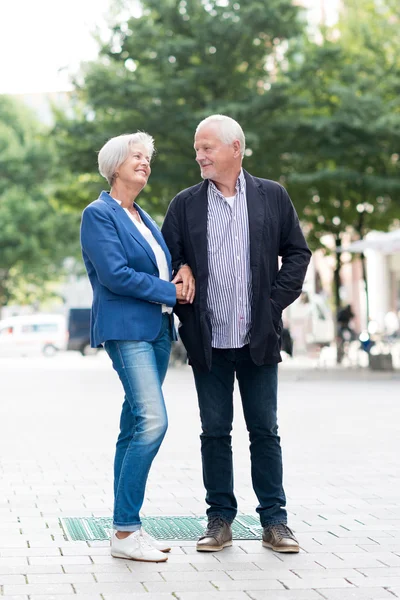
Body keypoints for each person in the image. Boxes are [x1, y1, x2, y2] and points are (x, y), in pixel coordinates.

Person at [162, 115, 311, 554]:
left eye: (207, 148)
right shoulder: (184, 204)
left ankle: (275, 521)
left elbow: (297, 253)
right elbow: (167, 256)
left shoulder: (272, 196)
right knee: (215, 431)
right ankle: (220, 518)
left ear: (235, 148)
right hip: (208, 340)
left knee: (264, 430)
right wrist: (180, 267)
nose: (199, 156)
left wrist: (271, 305)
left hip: (257, 338)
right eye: (197, 149)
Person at [80, 132, 194, 563]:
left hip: (159, 330)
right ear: (114, 165)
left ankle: (125, 529)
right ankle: (127, 531)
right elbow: (115, 274)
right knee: (152, 421)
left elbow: (161, 263)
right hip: (126, 329)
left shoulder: (142, 217)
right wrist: (171, 291)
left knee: (132, 427)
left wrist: (180, 272)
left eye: (148, 157)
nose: (145, 163)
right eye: (136, 157)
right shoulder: (99, 215)